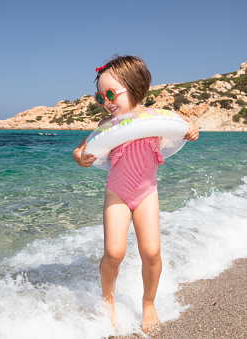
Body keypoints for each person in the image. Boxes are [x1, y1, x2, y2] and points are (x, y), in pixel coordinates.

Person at [73, 55, 199, 332]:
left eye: (110, 94)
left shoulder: (155, 118)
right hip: (116, 192)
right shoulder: (107, 125)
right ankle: (107, 302)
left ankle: (149, 302)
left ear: (135, 87)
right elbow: (83, 148)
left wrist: (191, 130)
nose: (106, 101)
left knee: (152, 252)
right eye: (99, 96)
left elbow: (184, 126)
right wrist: (79, 156)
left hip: (146, 193)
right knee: (114, 253)